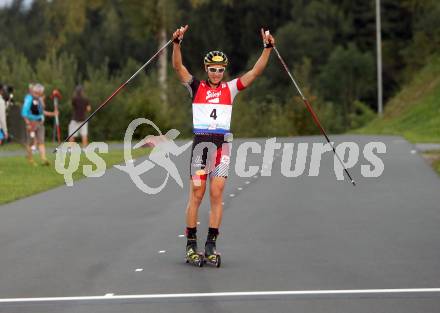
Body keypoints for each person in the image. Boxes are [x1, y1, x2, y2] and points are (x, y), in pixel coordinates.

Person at [172, 25, 275, 265]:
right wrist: (176, 43)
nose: (217, 73)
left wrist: (267, 48)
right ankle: (191, 244)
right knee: (197, 195)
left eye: (220, 70)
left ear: (224, 71)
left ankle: (211, 244)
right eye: (212, 69)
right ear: (206, 69)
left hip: (221, 148)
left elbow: (255, 72)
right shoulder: (196, 87)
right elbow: (178, 67)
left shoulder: (231, 89)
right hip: (201, 147)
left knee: (216, 194)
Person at [21, 83, 58, 165]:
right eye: (41, 92)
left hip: (40, 123)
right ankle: (30, 160)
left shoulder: (39, 99)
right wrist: (27, 123)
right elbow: (24, 112)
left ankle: (44, 159)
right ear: (38, 91)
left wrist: (53, 113)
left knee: (41, 141)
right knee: (30, 142)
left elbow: (41, 112)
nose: (42, 93)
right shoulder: (29, 98)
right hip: (31, 123)